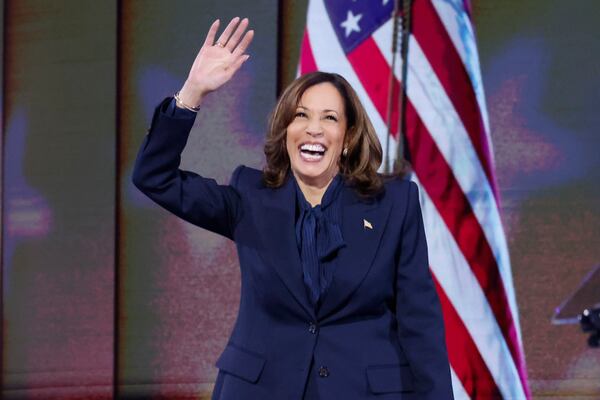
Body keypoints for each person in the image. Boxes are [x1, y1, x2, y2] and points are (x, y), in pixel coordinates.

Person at [132, 17, 453, 400]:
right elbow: (155, 178)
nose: (314, 129)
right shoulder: (249, 196)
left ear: (348, 139)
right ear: (286, 132)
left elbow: (421, 323)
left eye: (329, 118)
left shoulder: (393, 203)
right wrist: (191, 93)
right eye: (301, 115)